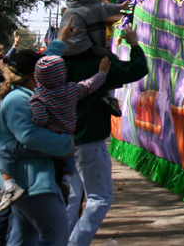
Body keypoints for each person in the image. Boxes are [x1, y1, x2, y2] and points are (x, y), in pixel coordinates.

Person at [63, 22, 147, 246]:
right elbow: (138, 69)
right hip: (89, 141)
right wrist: (134, 44)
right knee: (99, 198)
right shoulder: (99, 65)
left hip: (64, 143)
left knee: (72, 198)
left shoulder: (59, 64)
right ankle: (76, 242)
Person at [0, 47, 109, 212]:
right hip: (68, 134)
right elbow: (89, 85)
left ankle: (9, 186)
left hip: (53, 137)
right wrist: (102, 73)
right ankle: (66, 181)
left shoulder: (38, 97)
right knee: (68, 159)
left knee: (4, 151)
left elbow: (40, 119)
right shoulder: (72, 89)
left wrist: (39, 121)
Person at [0, 27, 75, 246]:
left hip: (29, 180)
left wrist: (61, 40)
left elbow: (47, 58)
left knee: (23, 237)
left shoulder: (23, 94)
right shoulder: (18, 100)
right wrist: (66, 145)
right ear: (36, 74)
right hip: (32, 181)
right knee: (56, 234)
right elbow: (29, 136)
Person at [60, 0, 127, 117]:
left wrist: (120, 7)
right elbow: (98, 37)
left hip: (64, 49)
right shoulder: (93, 8)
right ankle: (109, 96)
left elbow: (103, 8)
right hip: (80, 49)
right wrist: (105, 51)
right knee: (112, 61)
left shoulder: (79, 1)